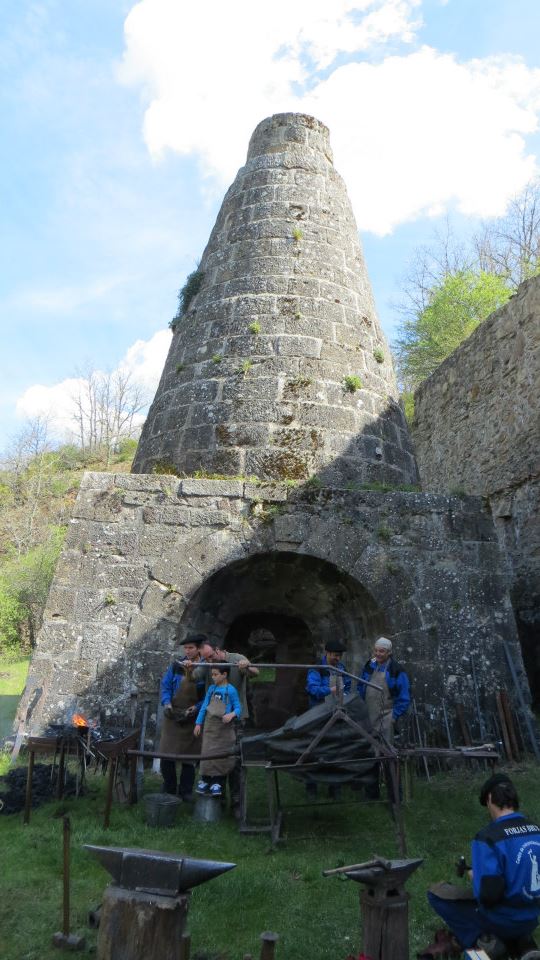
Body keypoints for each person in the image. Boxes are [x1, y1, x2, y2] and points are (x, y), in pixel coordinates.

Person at [422, 774, 540, 958]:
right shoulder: (536, 830)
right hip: (532, 918)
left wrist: (475, 877)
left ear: (490, 798)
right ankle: (523, 943)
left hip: (501, 920)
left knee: (436, 895)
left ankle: (486, 945)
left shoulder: (487, 837)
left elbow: (489, 896)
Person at [194, 640, 259, 815]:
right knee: (214, 757)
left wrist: (246, 667)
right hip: (214, 721)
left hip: (236, 720)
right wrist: (191, 662)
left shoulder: (236, 658)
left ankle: (237, 802)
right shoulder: (207, 665)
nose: (209, 662)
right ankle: (217, 799)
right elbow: (194, 676)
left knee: (235, 760)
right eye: (205, 658)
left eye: (210, 657)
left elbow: (256, 672)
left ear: (218, 650)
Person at [158, 634, 207, 800]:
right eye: (185, 648)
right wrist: (167, 703)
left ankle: (185, 791)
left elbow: (208, 694)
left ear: (199, 649)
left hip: (192, 717)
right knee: (166, 754)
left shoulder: (206, 668)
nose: (187, 651)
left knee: (189, 757)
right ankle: (169, 788)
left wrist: (197, 708)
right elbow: (165, 686)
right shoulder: (176, 665)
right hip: (173, 715)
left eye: (191, 648)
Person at [194, 665, 242, 797]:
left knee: (220, 757)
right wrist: (198, 723)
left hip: (223, 731)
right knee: (206, 754)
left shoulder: (231, 690)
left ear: (224, 674)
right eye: (212, 674)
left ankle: (216, 782)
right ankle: (205, 780)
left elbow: (238, 708)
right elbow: (204, 706)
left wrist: (231, 715)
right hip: (210, 728)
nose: (213, 677)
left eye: (215, 674)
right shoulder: (211, 689)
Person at [358, 636, 410, 743]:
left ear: (389, 652)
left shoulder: (396, 670)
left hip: (386, 717)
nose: (377, 654)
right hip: (368, 714)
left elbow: (404, 697)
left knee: (385, 748)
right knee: (369, 745)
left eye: (381, 651)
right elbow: (360, 684)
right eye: (376, 651)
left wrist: (393, 716)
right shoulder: (370, 665)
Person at [305, 639, 352, 708]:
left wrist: (344, 695)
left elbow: (347, 685)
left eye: (340, 655)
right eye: (336, 655)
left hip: (338, 707)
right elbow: (313, 690)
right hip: (319, 710)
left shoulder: (341, 668)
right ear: (327, 653)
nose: (338, 658)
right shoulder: (317, 669)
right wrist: (331, 690)